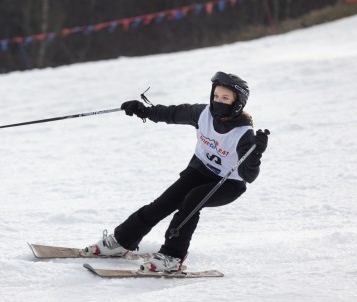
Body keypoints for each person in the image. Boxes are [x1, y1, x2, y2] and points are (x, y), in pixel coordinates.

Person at [83, 71, 269, 272]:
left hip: (227, 183)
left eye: (225, 98)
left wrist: (255, 153)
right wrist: (143, 111)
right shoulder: (203, 114)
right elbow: (172, 113)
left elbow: (248, 176)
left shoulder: (243, 134)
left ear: (237, 103)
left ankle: (172, 257)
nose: (218, 102)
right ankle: (121, 242)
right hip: (198, 171)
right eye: (216, 96)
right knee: (161, 205)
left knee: (191, 202)